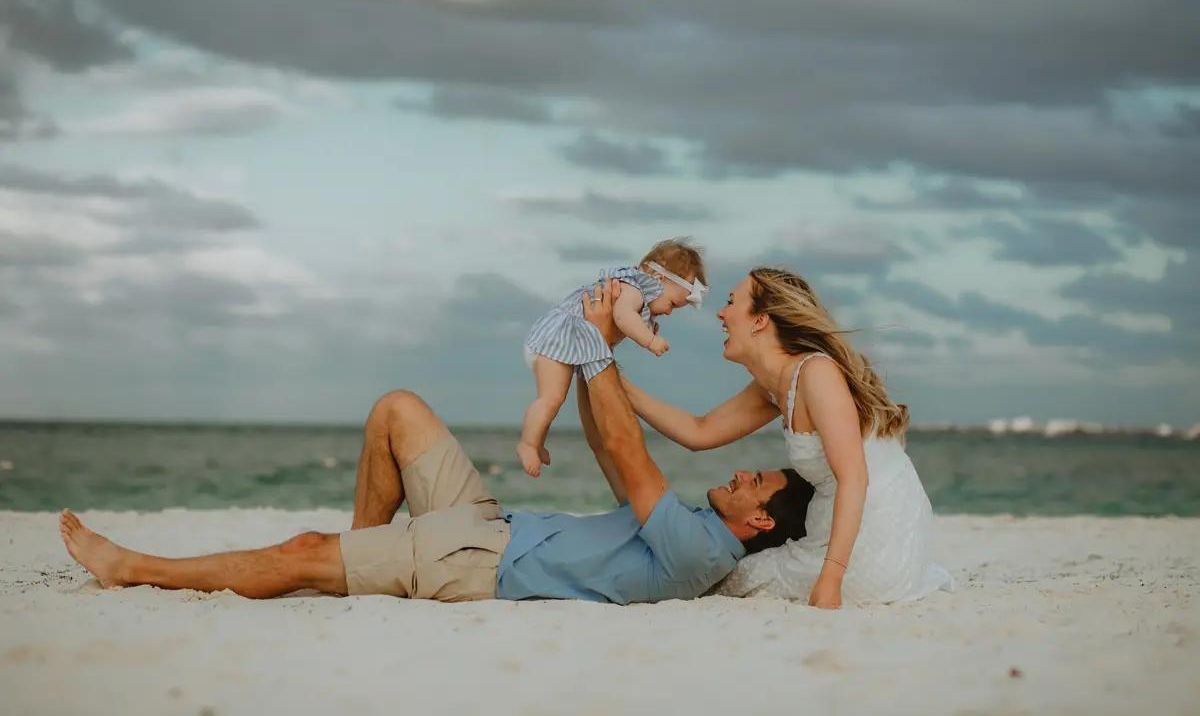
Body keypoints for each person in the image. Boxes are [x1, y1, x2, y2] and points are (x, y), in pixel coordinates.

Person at [58, 281, 814, 605]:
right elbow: (607, 441)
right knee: (398, 408)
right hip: (493, 526)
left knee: (298, 551)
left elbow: (629, 454)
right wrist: (591, 347)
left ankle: (134, 568)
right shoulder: (687, 527)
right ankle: (359, 563)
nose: (746, 475)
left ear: (756, 526)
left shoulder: (700, 552)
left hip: (478, 565)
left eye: (759, 487)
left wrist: (600, 344)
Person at [595, 268, 953, 608]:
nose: (721, 314)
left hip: (874, 539)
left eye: (732, 302)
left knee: (726, 577)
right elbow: (698, 431)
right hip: (840, 528)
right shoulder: (776, 385)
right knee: (720, 571)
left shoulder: (817, 373)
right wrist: (603, 363)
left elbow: (855, 477)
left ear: (760, 320)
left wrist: (830, 579)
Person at [516, 237, 708, 477]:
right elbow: (623, 317)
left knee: (555, 398)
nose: (669, 312)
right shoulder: (633, 289)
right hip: (556, 340)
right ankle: (528, 443)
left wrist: (645, 327)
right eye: (672, 303)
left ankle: (538, 441)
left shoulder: (635, 294)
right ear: (657, 278)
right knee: (551, 399)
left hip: (564, 344)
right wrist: (649, 340)